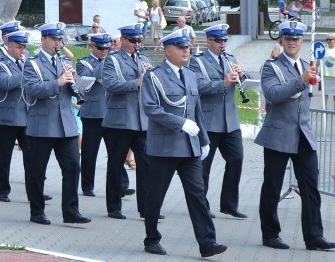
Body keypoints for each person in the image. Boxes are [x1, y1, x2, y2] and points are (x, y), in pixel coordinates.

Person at [140, 29, 226, 257]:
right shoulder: (154, 76)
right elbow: (151, 108)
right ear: (168, 51)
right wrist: (180, 123)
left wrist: (204, 140)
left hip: (189, 147)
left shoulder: (189, 75)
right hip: (164, 147)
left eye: (187, 47)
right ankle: (151, 239)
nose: (186, 51)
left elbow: (196, 110)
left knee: (198, 195)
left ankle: (207, 242)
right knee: (156, 195)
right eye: (181, 47)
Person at [256, 21, 335, 251]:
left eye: (296, 38)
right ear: (281, 40)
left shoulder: (305, 64)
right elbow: (272, 94)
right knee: (272, 186)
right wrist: (300, 80)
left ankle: (314, 237)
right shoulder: (271, 66)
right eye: (288, 38)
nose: (292, 42)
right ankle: (270, 234)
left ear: (302, 42)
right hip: (278, 135)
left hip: (303, 135)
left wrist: (312, 79)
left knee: (310, 187)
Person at [22, 22, 91, 225]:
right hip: (42, 125)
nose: (57, 43)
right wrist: (58, 82)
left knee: (72, 167)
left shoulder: (62, 62)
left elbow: (72, 94)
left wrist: (77, 84)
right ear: (43, 39)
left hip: (65, 125)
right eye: (54, 39)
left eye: (60, 40)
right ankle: (37, 211)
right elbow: (32, 90)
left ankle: (70, 211)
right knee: (37, 172)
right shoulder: (31, 63)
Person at [188, 24, 247, 219]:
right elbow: (196, 85)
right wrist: (222, 83)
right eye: (219, 41)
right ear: (209, 41)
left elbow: (245, 81)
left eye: (225, 41)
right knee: (204, 166)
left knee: (236, 159)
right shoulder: (198, 61)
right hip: (208, 120)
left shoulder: (231, 59)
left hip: (230, 121)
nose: (223, 44)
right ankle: (201, 205)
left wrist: (242, 75)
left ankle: (229, 204)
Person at [101, 24, 151, 220]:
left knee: (146, 165)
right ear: (123, 40)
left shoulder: (143, 59)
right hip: (119, 121)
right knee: (115, 165)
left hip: (141, 120)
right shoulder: (112, 60)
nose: (137, 44)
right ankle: (114, 207)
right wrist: (136, 82)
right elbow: (110, 85)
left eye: (139, 41)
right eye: (133, 41)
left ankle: (146, 208)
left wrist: (151, 76)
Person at [77, 33, 130, 197]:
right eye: (101, 48)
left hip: (110, 113)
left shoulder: (113, 61)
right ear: (92, 46)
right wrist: (108, 61)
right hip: (92, 113)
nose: (104, 52)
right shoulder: (83, 62)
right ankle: (87, 185)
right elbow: (91, 77)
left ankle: (121, 185)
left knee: (116, 151)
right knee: (89, 152)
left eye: (107, 48)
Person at [0, 29, 31, 203]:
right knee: (3, 157)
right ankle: (3, 190)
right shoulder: (0, 64)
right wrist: (27, 74)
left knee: (32, 157)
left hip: (27, 117)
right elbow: (4, 83)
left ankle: (34, 190)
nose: (22, 50)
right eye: (19, 47)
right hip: (6, 118)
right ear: (9, 46)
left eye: (24, 47)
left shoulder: (27, 63)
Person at [323, 33, 335, 110]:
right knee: (325, 92)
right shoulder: (324, 47)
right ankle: (324, 107)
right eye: (327, 39)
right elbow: (319, 59)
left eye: (330, 39)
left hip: (334, 74)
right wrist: (315, 68)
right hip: (325, 73)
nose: (328, 41)